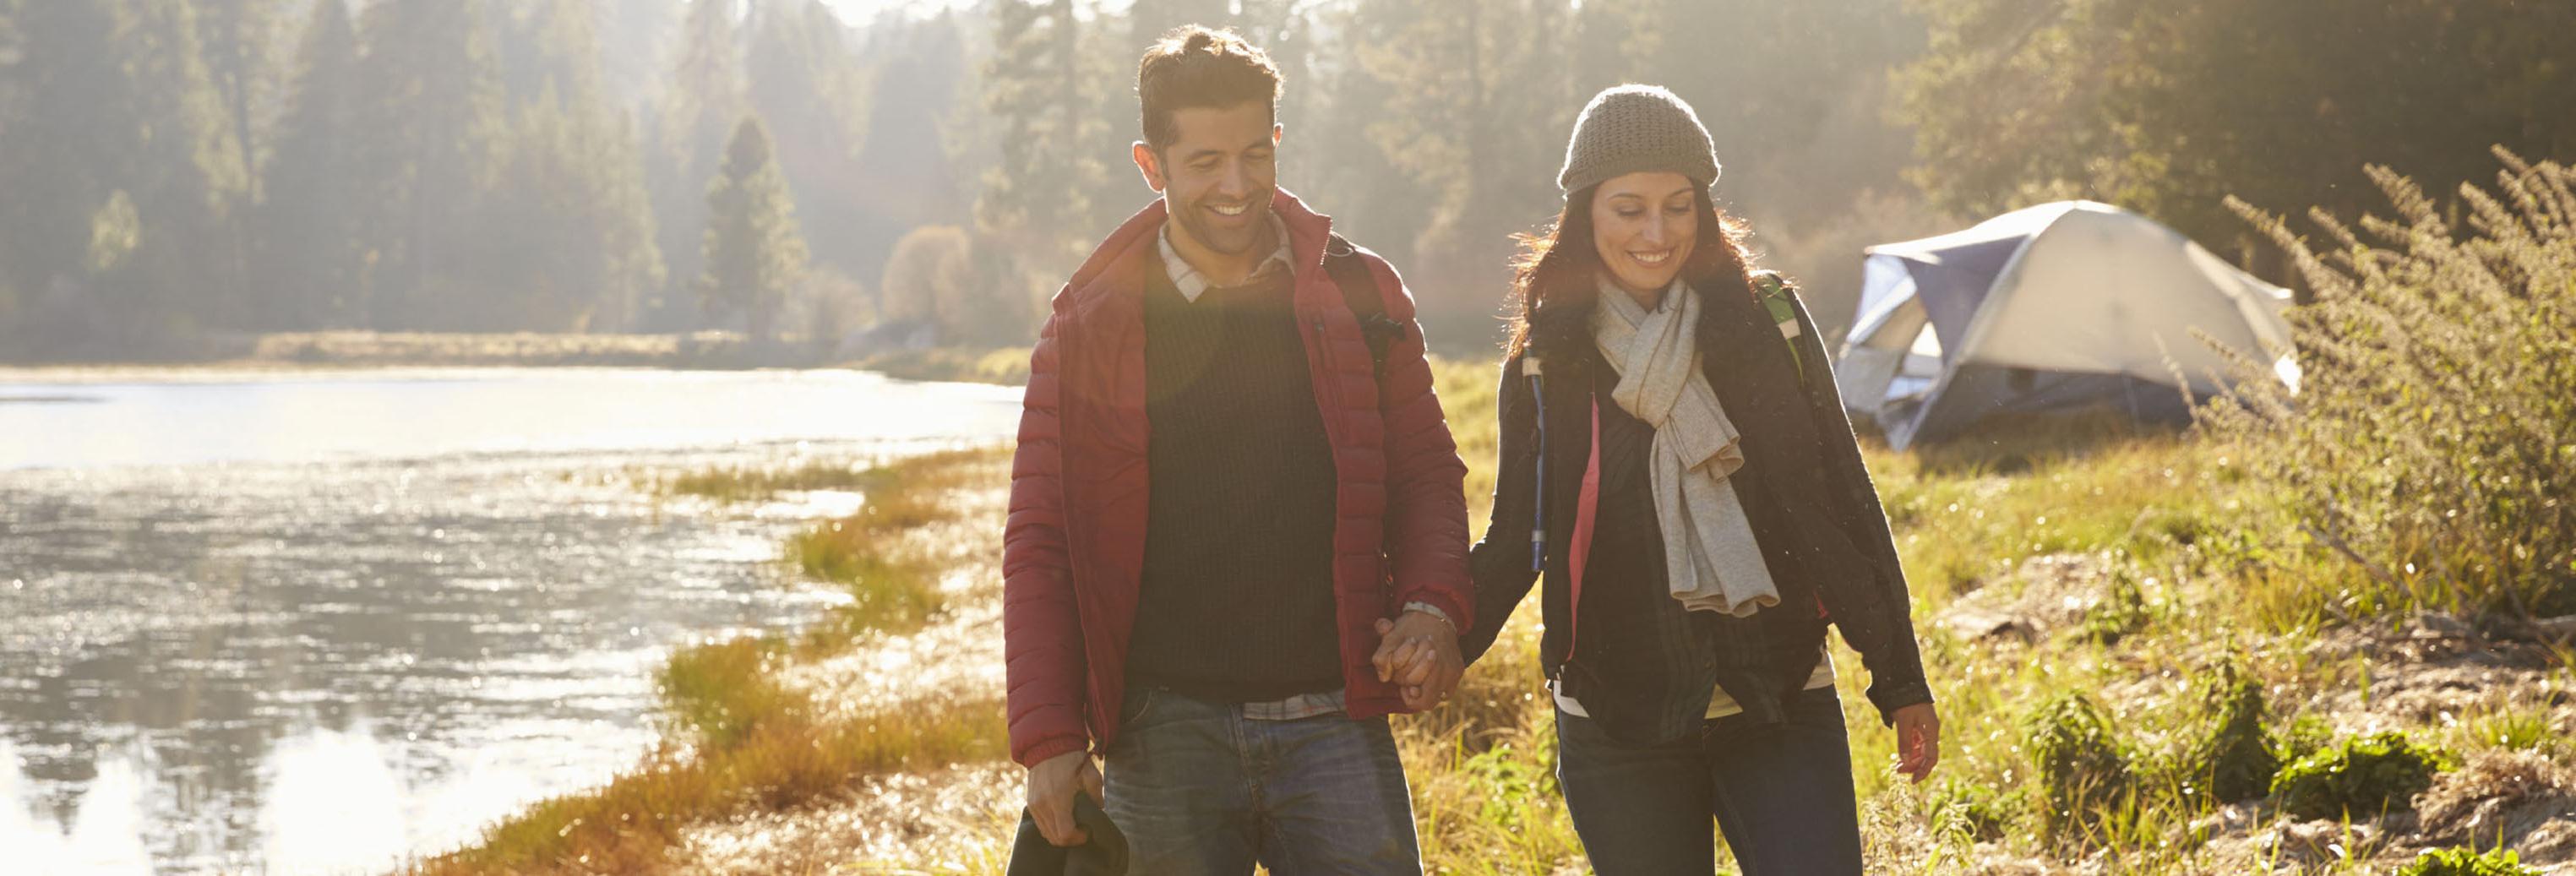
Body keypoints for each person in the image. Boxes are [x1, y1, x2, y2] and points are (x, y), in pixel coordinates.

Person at [999, 25, 1473, 874]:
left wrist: (1434, 606)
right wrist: (1048, 737)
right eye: (1206, 161)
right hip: (1161, 728)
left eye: (1256, 154)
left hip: (1337, 715)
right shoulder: (1087, 325)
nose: (1236, 184)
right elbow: (1040, 541)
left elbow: (1426, 472)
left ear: (1278, 142)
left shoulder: (1360, 290)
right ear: (1152, 165)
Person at [1456, 84, 1942, 874]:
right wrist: (1438, 640)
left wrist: (1900, 676)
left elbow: (1844, 499)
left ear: (1704, 208)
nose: (1656, 233)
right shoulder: (1550, 356)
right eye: (1628, 208)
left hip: (1778, 693)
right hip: (1618, 714)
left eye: (1678, 206)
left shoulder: (1765, 322)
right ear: (1586, 212)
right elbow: (1518, 538)